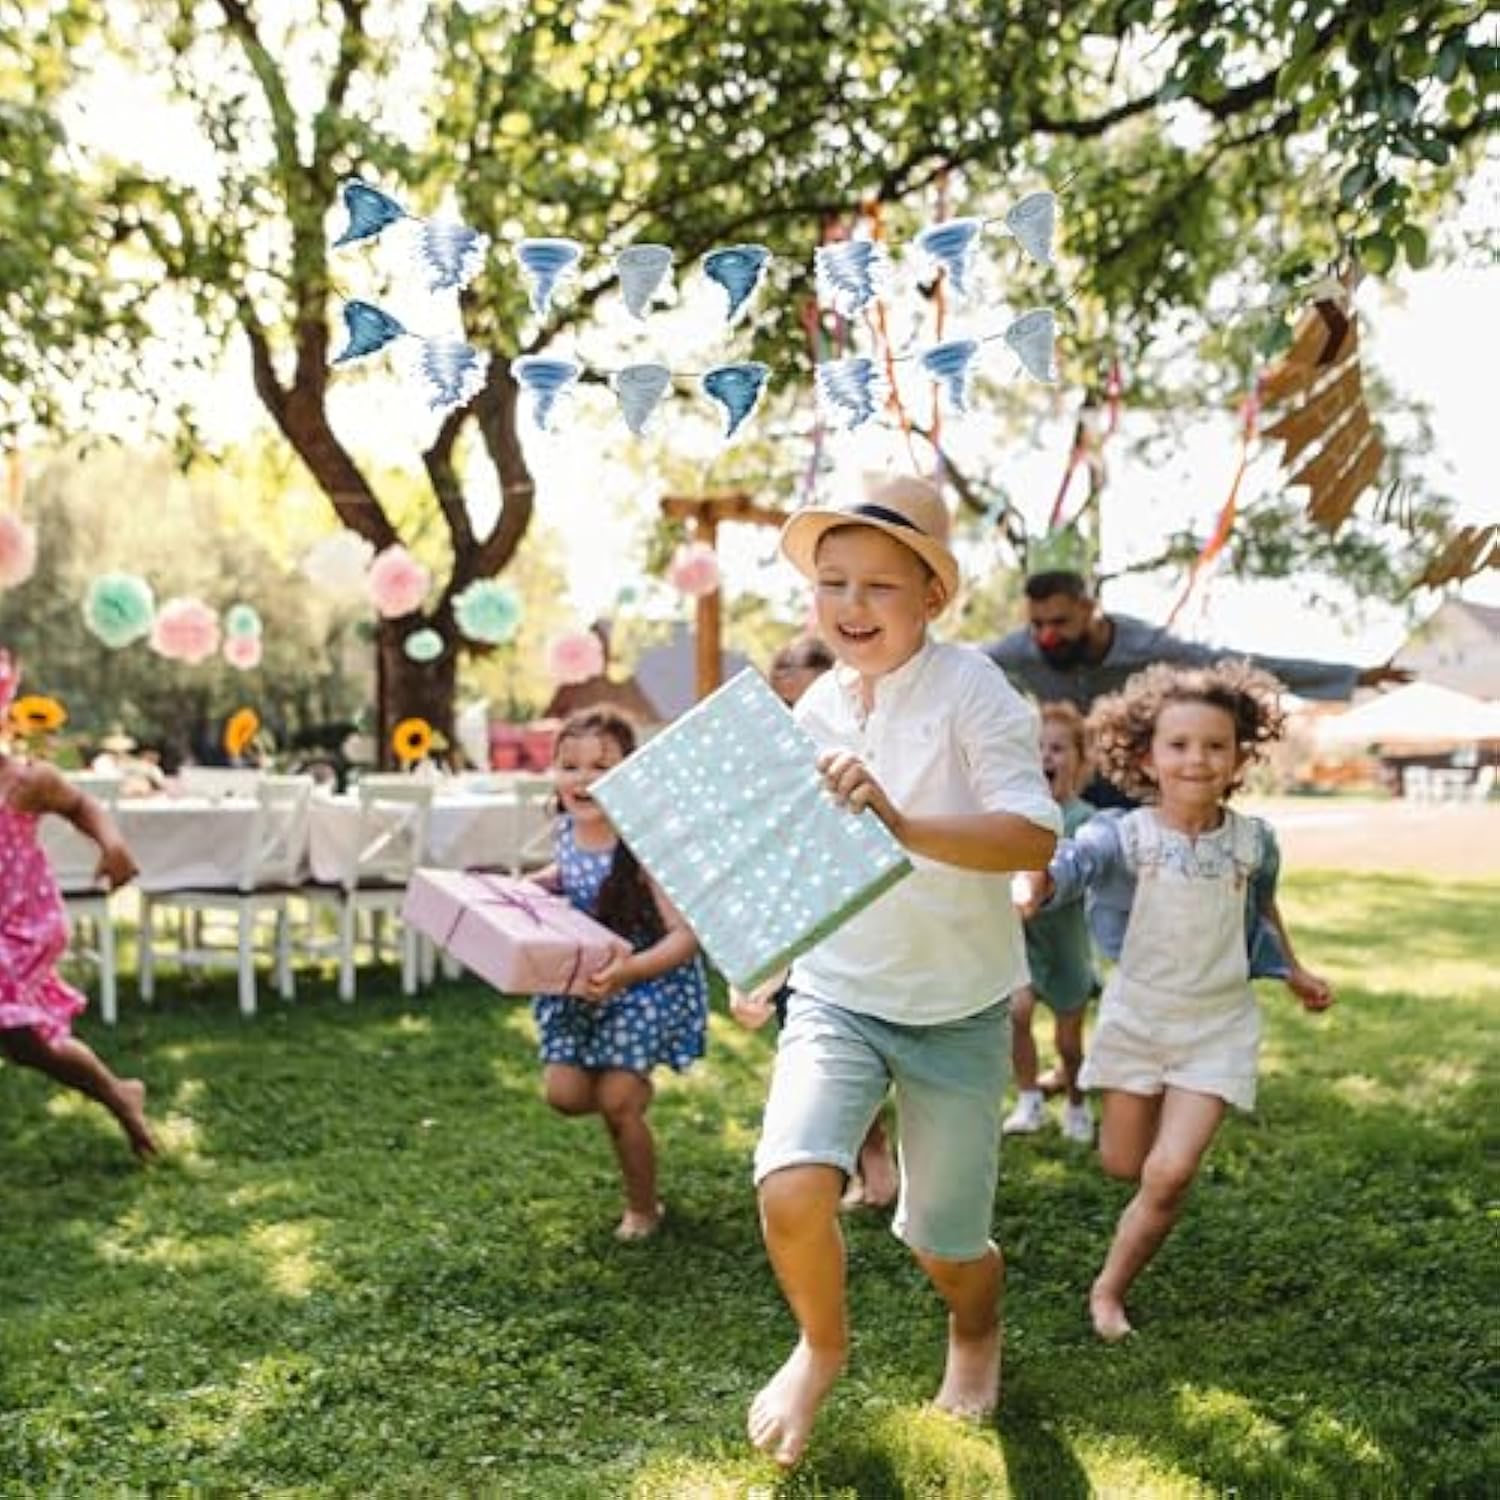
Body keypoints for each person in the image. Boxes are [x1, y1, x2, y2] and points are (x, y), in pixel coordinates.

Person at [748, 475, 1061, 1467]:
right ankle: (819, 1347)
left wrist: (902, 821)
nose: (850, 605)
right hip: (839, 991)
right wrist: (766, 957)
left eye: (880, 586)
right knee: (792, 1183)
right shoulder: (814, 706)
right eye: (832, 582)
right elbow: (798, 853)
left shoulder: (974, 689)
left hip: (959, 1008)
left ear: (932, 596)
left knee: (944, 1243)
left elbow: (1029, 833)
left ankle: (975, 1326)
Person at [1017, 660, 1333, 1343]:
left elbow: (1261, 911)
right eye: (1180, 745)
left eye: (1215, 745)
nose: (1197, 759)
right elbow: (1072, 867)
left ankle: (1108, 1291)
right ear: (1146, 755)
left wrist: (1293, 971)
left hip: (1217, 1027)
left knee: (1167, 1174)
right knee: (1122, 1165)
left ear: (1240, 756)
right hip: (1137, 1020)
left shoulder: (1255, 842)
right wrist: (1037, 882)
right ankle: (1141, 1138)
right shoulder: (1121, 836)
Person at [986, 569, 1411, 805]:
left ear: (1089, 608)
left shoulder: (1145, 646)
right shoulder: (1019, 651)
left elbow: (1238, 665)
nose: (1047, 636)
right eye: (1037, 624)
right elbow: (961, 666)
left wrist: (1353, 677)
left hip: (1130, 778)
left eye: (1059, 622)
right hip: (1061, 782)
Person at [732, 633, 899, 1212]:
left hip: (866, 926)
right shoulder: (765, 776)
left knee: (868, 1038)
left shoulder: (862, 762)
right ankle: (868, 1159)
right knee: (817, 1047)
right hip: (797, 926)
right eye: (785, 709)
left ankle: (886, 1159)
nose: (796, 724)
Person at [528, 708, 708, 1242]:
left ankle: (643, 1207)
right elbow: (570, 876)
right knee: (564, 1094)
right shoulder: (567, 832)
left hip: (644, 985)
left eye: (601, 766)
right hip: (586, 987)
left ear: (631, 775)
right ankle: (629, 1093)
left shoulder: (645, 846)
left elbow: (684, 937)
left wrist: (631, 972)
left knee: (615, 1103)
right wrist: (531, 888)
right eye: (570, 765)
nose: (583, 779)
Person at [0, 651, 158, 1160]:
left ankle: (117, 1094)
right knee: (26, 1045)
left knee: (23, 1038)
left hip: (21, 925)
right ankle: (120, 1092)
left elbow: (82, 806)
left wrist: (113, 845)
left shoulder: (26, 781)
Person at [1003, 701, 1098, 1144]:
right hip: (1021, 943)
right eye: (1035, 748)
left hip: (1066, 947)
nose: (1045, 757)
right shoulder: (1012, 820)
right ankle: (1029, 1100)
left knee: (1068, 1042)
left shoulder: (1086, 821)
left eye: (1057, 748)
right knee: (1016, 1015)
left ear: (1080, 759)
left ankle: (1077, 1103)